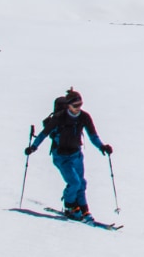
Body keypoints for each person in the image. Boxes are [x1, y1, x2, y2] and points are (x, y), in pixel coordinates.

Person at [25, 88, 112, 220]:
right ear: (68, 105)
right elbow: (44, 133)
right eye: (75, 105)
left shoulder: (84, 117)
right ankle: (70, 206)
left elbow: (93, 136)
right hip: (61, 156)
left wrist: (102, 147)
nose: (78, 108)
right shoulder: (59, 118)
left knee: (82, 183)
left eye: (80, 105)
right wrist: (33, 147)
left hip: (76, 155)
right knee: (74, 182)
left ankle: (83, 209)